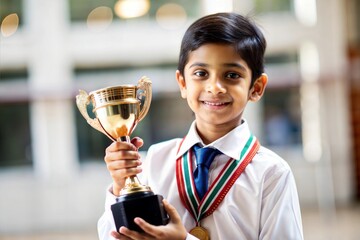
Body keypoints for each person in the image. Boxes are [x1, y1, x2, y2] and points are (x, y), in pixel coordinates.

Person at [98, 12, 304, 240]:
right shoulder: (154, 161)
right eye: (201, 73)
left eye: (232, 75)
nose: (215, 87)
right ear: (182, 83)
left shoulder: (272, 174)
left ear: (256, 87)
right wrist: (120, 187)